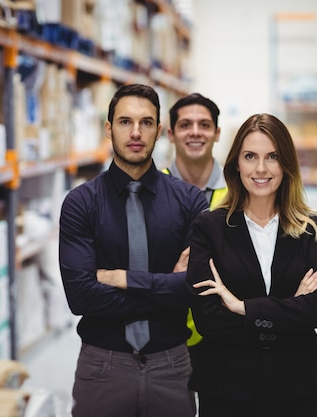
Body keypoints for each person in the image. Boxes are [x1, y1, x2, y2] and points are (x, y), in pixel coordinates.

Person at [59, 84, 208, 417]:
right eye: (125, 122)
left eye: (146, 122)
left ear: (159, 131)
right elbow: (80, 297)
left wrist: (121, 279)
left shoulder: (190, 202)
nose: (136, 132)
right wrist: (166, 286)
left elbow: (195, 289)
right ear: (109, 128)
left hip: (171, 364)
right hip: (102, 365)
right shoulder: (81, 203)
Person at [186, 113, 317, 417]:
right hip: (227, 386)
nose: (261, 168)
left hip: (298, 386)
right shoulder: (209, 228)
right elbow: (208, 318)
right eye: (250, 156)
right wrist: (291, 306)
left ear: (287, 164)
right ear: (236, 164)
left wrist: (242, 307)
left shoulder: (311, 229)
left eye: (272, 157)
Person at [164, 93, 227, 350]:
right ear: (170, 134)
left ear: (217, 133)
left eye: (204, 125)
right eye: (185, 125)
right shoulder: (151, 192)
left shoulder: (240, 193)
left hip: (227, 334)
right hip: (169, 330)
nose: (195, 132)